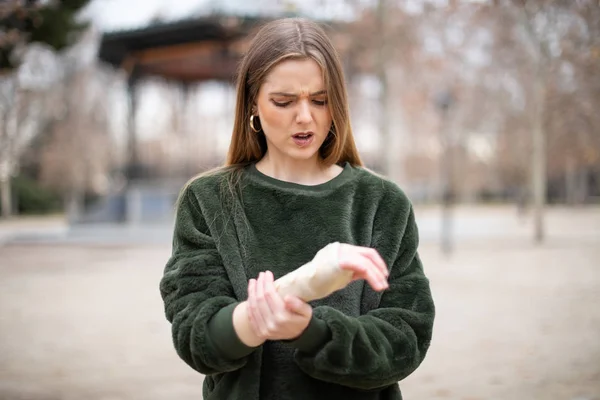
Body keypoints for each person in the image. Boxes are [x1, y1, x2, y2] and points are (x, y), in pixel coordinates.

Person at [159, 17, 435, 400]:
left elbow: (406, 338)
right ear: (252, 104)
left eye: (320, 100)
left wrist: (313, 330)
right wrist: (303, 285)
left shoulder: (382, 203)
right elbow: (196, 337)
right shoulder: (208, 200)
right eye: (284, 101)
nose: (305, 116)